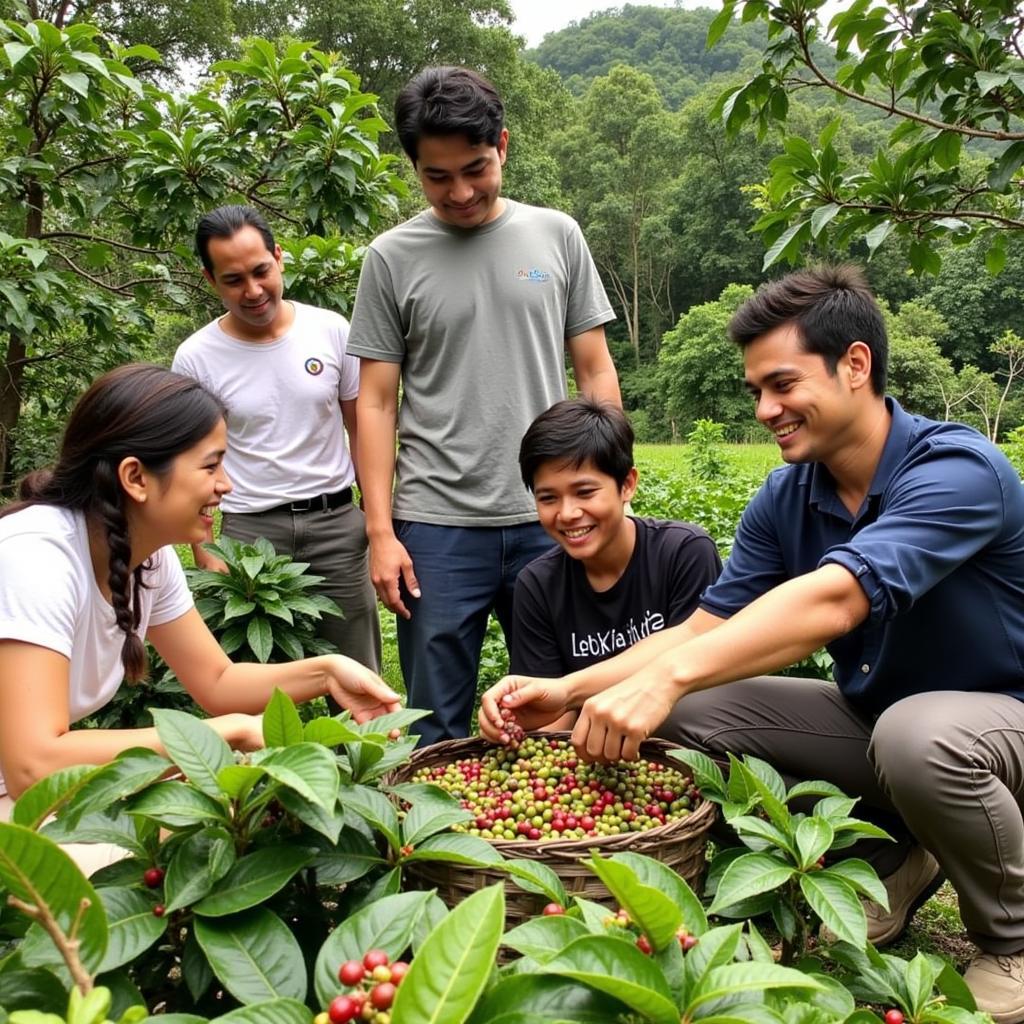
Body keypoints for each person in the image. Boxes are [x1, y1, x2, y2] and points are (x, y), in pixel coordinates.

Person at [480, 265, 1024, 1023]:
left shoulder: (957, 470)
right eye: (756, 392)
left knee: (917, 737)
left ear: (856, 365)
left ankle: (1012, 939)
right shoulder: (787, 494)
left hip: (999, 721)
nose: (767, 409)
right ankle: (902, 855)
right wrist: (571, 692)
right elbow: (704, 631)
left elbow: (837, 598)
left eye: (783, 384)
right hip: (879, 714)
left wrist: (664, 680)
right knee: (697, 704)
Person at [0, 365, 401, 872]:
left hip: (30, 798)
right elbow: (32, 766)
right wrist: (221, 733)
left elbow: (217, 680)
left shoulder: (148, 555)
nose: (226, 486)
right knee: (197, 856)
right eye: (211, 467)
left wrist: (328, 671)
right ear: (136, 478)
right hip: (20, 802)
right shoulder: (35, 557)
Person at [348, 66, 621, 746]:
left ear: (502, 145)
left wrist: (611, 491)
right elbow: (377, 404)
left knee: (557, 714)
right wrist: (381, 532)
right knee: (434, 722)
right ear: (413, 167)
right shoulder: (390, 258)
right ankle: (443, 854)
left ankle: (555, 853)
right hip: (436, 527)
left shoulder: (557, 235)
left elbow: (594, 369)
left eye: (475, 169)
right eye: (437, 177)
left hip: (552, 520)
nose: (461, 192)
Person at [172, 205, 381, 684]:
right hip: (249, 534)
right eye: (233, 280)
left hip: (335, 524)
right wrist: (205, 550)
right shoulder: (196, 358)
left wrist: (377, 520)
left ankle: (373, 761)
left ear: (279, 258)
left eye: (261, 271)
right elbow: (192, 462)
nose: (252, 291)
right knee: (253, 680)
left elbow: (363, 429)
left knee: (357, 671)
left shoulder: (330, 330)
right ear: (210, 280)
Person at [511, 397, 722, 687]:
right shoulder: (537, 586)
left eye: (585, 492)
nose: (568, 513)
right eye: (548, 498)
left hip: (681, 724)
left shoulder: (683, 553)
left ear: (627, 485)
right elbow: (553, 717)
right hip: (585, 734)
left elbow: (699, 674)